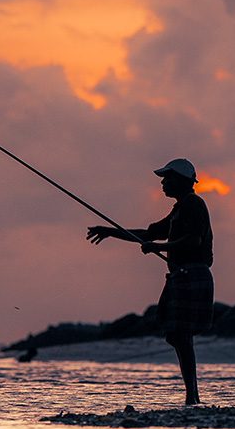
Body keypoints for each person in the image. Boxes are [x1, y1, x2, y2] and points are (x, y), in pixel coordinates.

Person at [86, 158, 214, 405]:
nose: (163, 183)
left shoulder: (194, 205)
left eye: (167, 178)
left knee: (181, 333)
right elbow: (147, 234)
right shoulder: (180, 209)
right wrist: (110, 231)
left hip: (192, 274)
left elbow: (193, 241)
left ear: (183, 180)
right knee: (177, 335)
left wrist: (160, 247)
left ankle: (192, 396)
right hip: (182, 275)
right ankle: (192, 395)